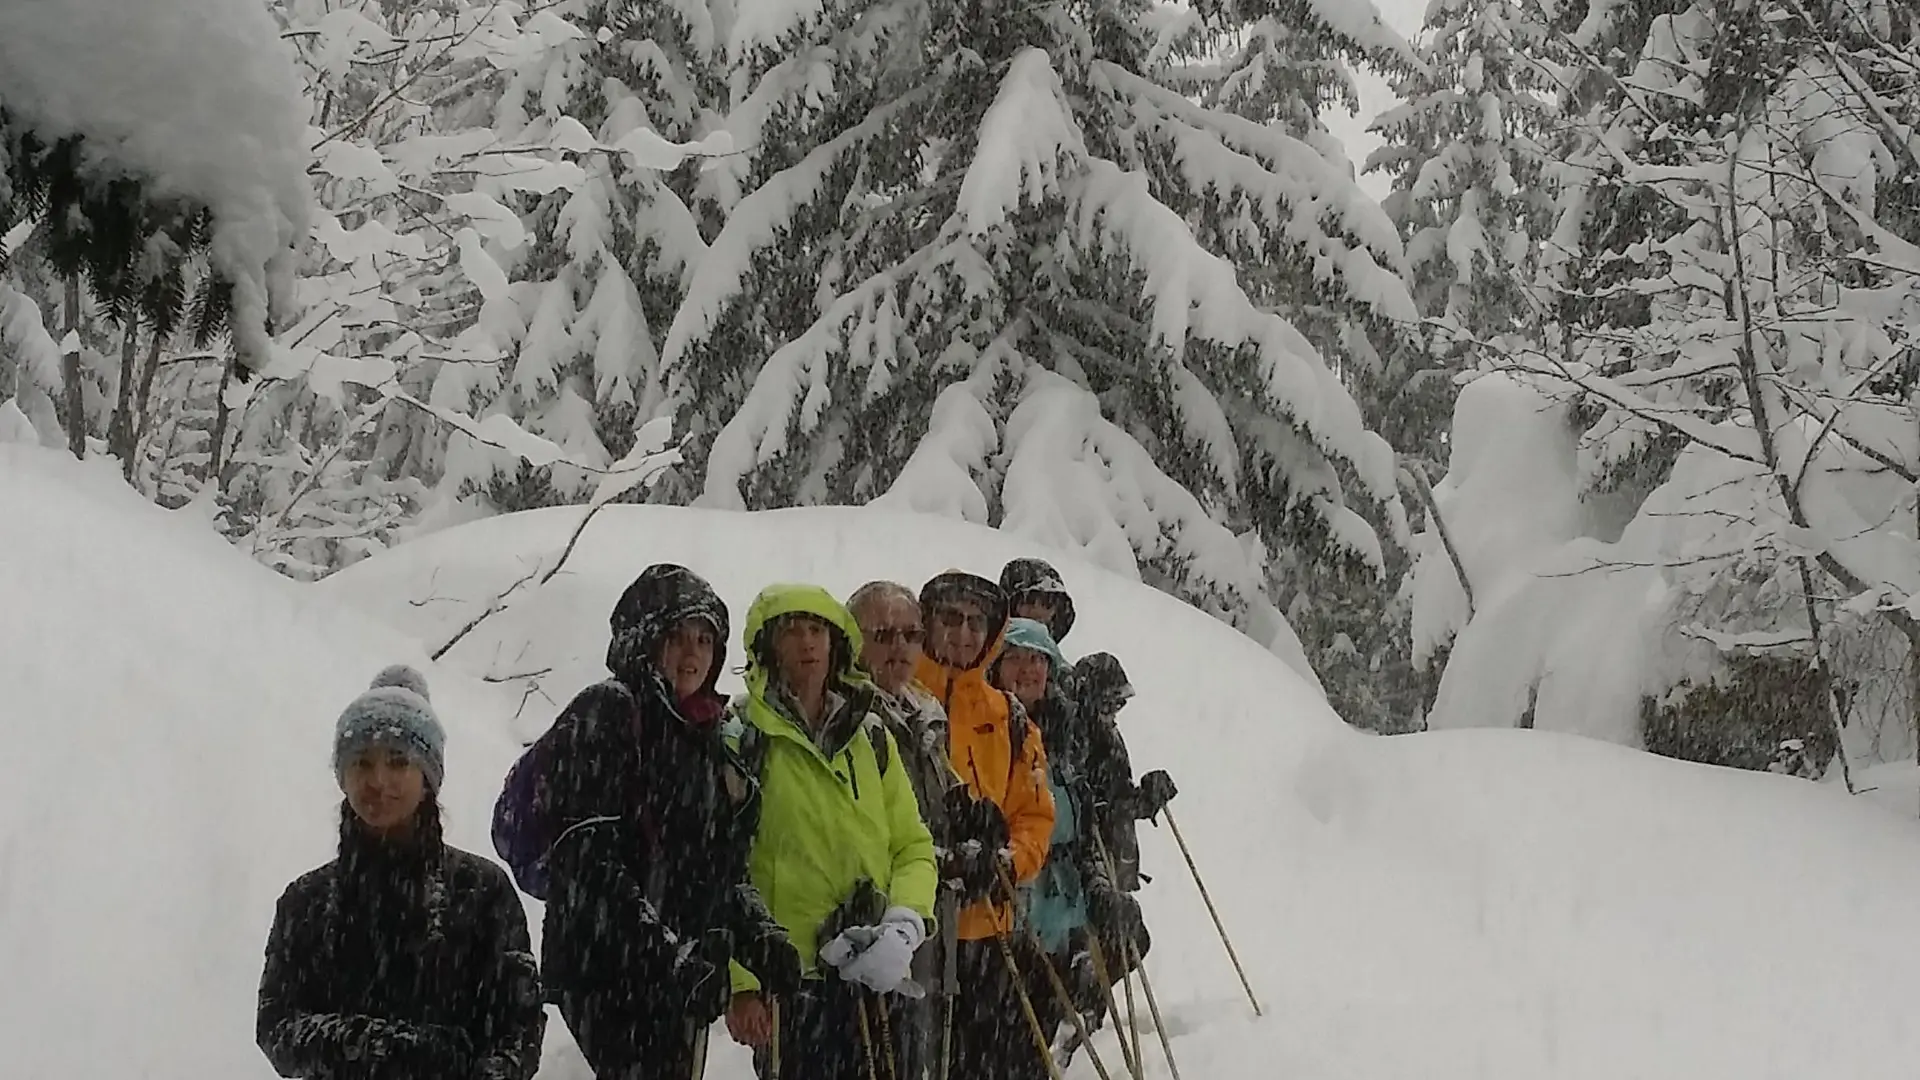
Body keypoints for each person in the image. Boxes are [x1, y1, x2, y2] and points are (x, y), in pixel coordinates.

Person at [537, 565, 799, 1080]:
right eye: (676, 636)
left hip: (672, 964)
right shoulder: (608, 711)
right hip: (604, 967)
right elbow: (590, 862)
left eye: (705, 639)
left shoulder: (702, 730)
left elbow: (719, 860)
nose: (692, 653)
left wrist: (757, 933)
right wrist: (667, 957)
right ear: (644, 640)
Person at [257, 666, 545, 1080]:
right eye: (362, 762)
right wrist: (373, 1045)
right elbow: (276, 1027)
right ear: (343, 777)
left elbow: (520, 1028)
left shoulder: (482, 890)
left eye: (398, 761)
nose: (379, 780)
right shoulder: (306, 901)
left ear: (427, 778)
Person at [721, 583, 938, 1080]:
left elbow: (912, 846)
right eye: (790, 631)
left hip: (878, 975)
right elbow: (721, 870)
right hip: (793, 988)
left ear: (837, 642)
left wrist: (904, 926)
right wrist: (742, 982)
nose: (806, 644)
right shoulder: (741, 738)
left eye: (817, 629)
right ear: (767, 647)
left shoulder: (870, 736)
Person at [915, 571, 1056, 1080]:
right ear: (926, 623)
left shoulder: (1010, 718)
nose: (964, 632)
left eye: (978, 622)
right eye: (951, 618)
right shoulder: (895, 699)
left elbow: (1034, 816)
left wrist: (1004, 863)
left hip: (988, 932)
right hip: (910, 935)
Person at [993, 619, 1129, 1068]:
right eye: (1015, 657)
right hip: (1005, 924)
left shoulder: (1065, 733)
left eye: (1038, 659)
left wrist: (1101, 893)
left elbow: (1082, 827)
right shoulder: (986, 728)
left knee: (1031, 1050)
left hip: (1059, 921)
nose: (1028, 669)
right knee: (1001, 1050)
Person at [847, 580, 961, 1080]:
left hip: (923, 923)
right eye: (884, 634)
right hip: (862, 929)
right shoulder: (843, 715)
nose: (900, 648)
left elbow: (932, 812)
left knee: (920, 1059)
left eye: (911, 634)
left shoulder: (925, 714)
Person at [1000, 558, 1076, 647]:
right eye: (1029, 602)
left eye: (1047, 604)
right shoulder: (983, 654)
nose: (1038, 612)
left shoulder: (1054, 659)